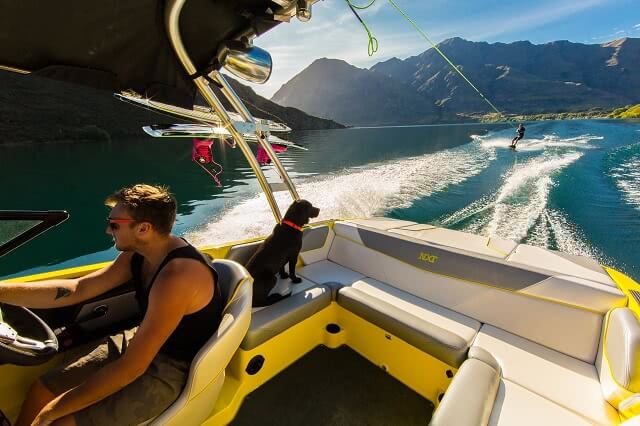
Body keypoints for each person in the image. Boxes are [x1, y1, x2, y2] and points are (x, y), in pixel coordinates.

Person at [0, 184, 223, 426]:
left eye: (114, 224)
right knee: (42, 390)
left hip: (170, 367)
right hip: (140, 342)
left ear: (144, 229)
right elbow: (78, 289)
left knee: (59, 422)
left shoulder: (177, 277)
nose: (108, 230)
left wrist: (52, 412)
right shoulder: (138, 254)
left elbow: (132, 367)